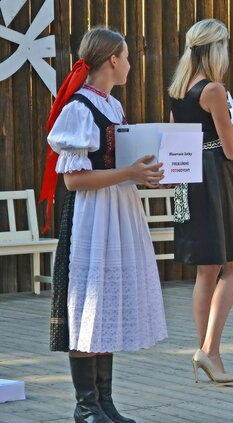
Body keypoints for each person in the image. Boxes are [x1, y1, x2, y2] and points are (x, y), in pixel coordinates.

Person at [45, 28, 168, 422]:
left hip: (118, 210)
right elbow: (73, 180)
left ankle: (104, 403)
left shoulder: (112, 106)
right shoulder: (79, 109)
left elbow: (119, 165)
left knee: (106, 304)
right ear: (113, 60)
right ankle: (86, 408)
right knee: (88, 305)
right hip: (93, 216)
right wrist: (128, 172)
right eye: (127, 57)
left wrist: (142, 174)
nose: (130, 64)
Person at [168, 19, 233, 384]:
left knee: (207, 271)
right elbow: (232, 149)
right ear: (217, 48)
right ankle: (210, 351)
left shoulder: (177, 89)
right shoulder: (213, 90)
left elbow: (175, 139)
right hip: (213, 181)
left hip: (188, 182)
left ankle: (206, 352)